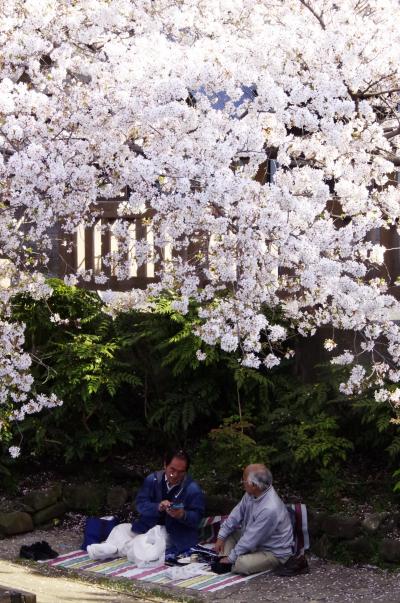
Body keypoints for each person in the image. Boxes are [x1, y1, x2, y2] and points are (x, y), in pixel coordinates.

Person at [214, 463, 294, 575]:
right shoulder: (251, 493)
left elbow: (251, 539)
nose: (242, 483)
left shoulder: (270, 508)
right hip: (253, 540)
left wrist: (231, 558)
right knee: (227, 535)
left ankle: (229, 562)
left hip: (272, 552)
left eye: (244, 480)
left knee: (242, 564)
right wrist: (221, 536)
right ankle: (225, 561)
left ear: (253, 485)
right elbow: (236, 515)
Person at [131, 449, 205, 555]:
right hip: (147, 528)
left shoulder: (192, 489)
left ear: (186, 471)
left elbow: (197, 517)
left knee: (144, 548)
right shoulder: (153, 480)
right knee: (120, 532)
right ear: (165, 465)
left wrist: (182, 515)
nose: (174, 475)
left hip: (175, 535)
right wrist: (158, 507)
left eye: (181, 472)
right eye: (172, 470)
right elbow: (140, 504)